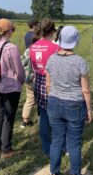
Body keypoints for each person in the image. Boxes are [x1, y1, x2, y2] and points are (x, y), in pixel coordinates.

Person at [46, 26, 92, 175]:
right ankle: (74, 172)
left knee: (57, 141)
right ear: (75, 41)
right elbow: (85, 90)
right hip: (74, 105)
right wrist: (89, 110)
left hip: (54, 102)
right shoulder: (80, 62)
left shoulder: (51, 59)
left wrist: (53, 97)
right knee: (74, 144)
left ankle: (54, 171)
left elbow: (48, 84)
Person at [0, 19, 25, 158]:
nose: (13, 32)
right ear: (8, 31)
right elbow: (19, 71)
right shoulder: (12, 48)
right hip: (11, 87)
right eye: (12, 30)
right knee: (9, 118)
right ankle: (6, 149)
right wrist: (20, 82)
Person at [30, 18, 59, 156]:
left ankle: (46, 147)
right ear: (52, 31)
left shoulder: (33, 47)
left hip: (39, 83)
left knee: (44, 116)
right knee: (57, 117)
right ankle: (59, 145)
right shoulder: (55, 48)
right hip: (52, 83)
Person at [21, 19, 39, 128]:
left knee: (29, 96)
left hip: (27, 74)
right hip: (32, 75)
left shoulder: (27, 34)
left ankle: (26, 119)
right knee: (31, 98)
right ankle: (25, 120)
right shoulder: (34, 35)